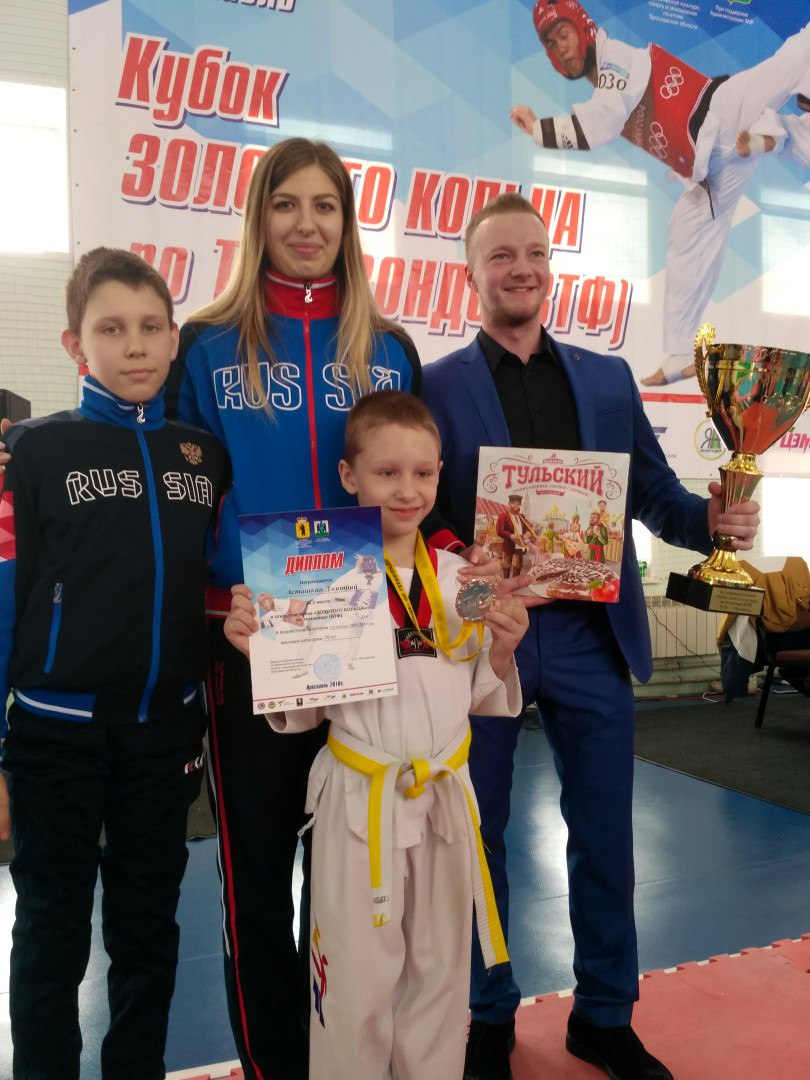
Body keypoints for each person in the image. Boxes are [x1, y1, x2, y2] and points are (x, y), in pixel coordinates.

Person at [422, 193, 761, 1080]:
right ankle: (487, 1014)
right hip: (487, 638)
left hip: (591, 637)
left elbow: (655, 495)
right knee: (479, 835)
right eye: (502, 255)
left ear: (550, 267)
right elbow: (419, 515)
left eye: (535, 253)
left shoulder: (607, 378)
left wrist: (713, 521)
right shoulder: (435, 384)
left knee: (606, 835)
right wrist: (466, 568)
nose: (522, 269)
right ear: (472, 272)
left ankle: (604, 1016)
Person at [163, 137, 431, 1080]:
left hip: (369, 652)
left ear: (347, 223)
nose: (307, 224)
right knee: (258, 885)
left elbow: (419, 500)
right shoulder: (205, 346)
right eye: (287, 204)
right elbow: (183, 504)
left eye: (326, 206)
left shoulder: (388, 350)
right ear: (258, 218)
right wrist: (214, 606)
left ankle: (345, 1060)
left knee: (355, 885)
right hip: (249, 652)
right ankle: (274, 1067)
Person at [222, 390, 528, 1079]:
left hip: (445, 800)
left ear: (440, 474)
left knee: (440, 979)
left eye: (422, 473)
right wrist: (262, 653)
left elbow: (480, 690)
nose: (407, 489)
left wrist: (506, 647)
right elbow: (303, 712)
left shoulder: (467, 577)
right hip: (361, 803)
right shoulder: (315, 573)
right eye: (387, 473)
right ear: (349, 476)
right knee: (353, 987)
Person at [0, 248, 230, 1080]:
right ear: (75, 344)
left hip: (163, 736)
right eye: (111, 329)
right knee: (51, 931)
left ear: (173, 340)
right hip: (54, 737)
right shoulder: (32, 454)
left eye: (150, 327)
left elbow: (217, 581)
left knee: (148, 929)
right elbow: (2, 606)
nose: (134, 345)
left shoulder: (202, 457)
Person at [508, 0, 810, 386]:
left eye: (563, 35)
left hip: (722, 110)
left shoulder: (614, 60)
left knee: (788, 63)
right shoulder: (604, 80)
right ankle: (681, 353)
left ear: (582, 27)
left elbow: (601, 124)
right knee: (683, 235)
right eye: (550, 44)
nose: (560, 49)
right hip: (710, 167)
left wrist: (538, 128)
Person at [495, 493, 532, 577]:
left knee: (518, 565)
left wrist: (527, 533)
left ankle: (515, 581)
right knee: (506, 564)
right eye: (514, 504)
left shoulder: (521, 516)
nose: (516, 506)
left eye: (518, 504)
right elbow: (499, 531)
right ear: (509, 504)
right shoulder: (503, 516)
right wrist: (511, 535)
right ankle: (506, 581)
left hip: (520, 545)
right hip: (509, 544)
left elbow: (527, 528)